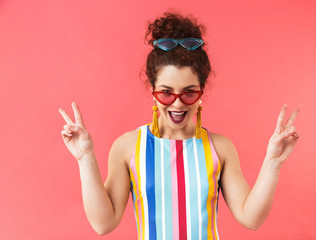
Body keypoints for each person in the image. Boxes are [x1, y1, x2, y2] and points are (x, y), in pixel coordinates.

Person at [58, 12, 299, 240]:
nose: (177, 103)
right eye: (166, 92)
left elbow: (251, 218)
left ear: (201, 92)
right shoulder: (128, 147)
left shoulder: (220, 148)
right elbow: (103, 224)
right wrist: (85, 158)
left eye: (189, 93)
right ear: (152, 91)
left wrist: (273, 162)